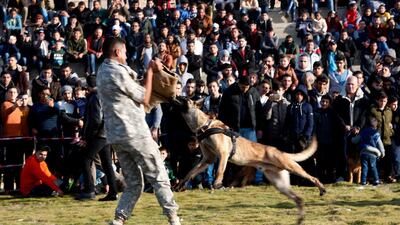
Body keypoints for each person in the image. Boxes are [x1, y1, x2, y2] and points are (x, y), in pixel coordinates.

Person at [96, 38, 180, 225]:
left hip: (116, 136)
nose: (126, 55)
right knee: (159, 175)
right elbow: (143, 96)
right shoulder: (117, 71)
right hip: (134, 132)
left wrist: (153, 74)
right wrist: (151, 71)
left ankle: (119, 219)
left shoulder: (103, 70)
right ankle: (173, 218)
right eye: (124, 51)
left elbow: (133, 86)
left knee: (134, 183)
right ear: (117, 52)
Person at [352, 117, 385, 186]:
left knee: (364, 168)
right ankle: (376, 180)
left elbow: (355, 141)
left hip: (363, 153)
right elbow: (380, 144)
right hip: (373, 154)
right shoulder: (376, 133)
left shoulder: (363, 132)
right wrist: (382, 153)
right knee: (373, 167)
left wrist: (352, 138)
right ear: (375, 125)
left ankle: (363, 181)